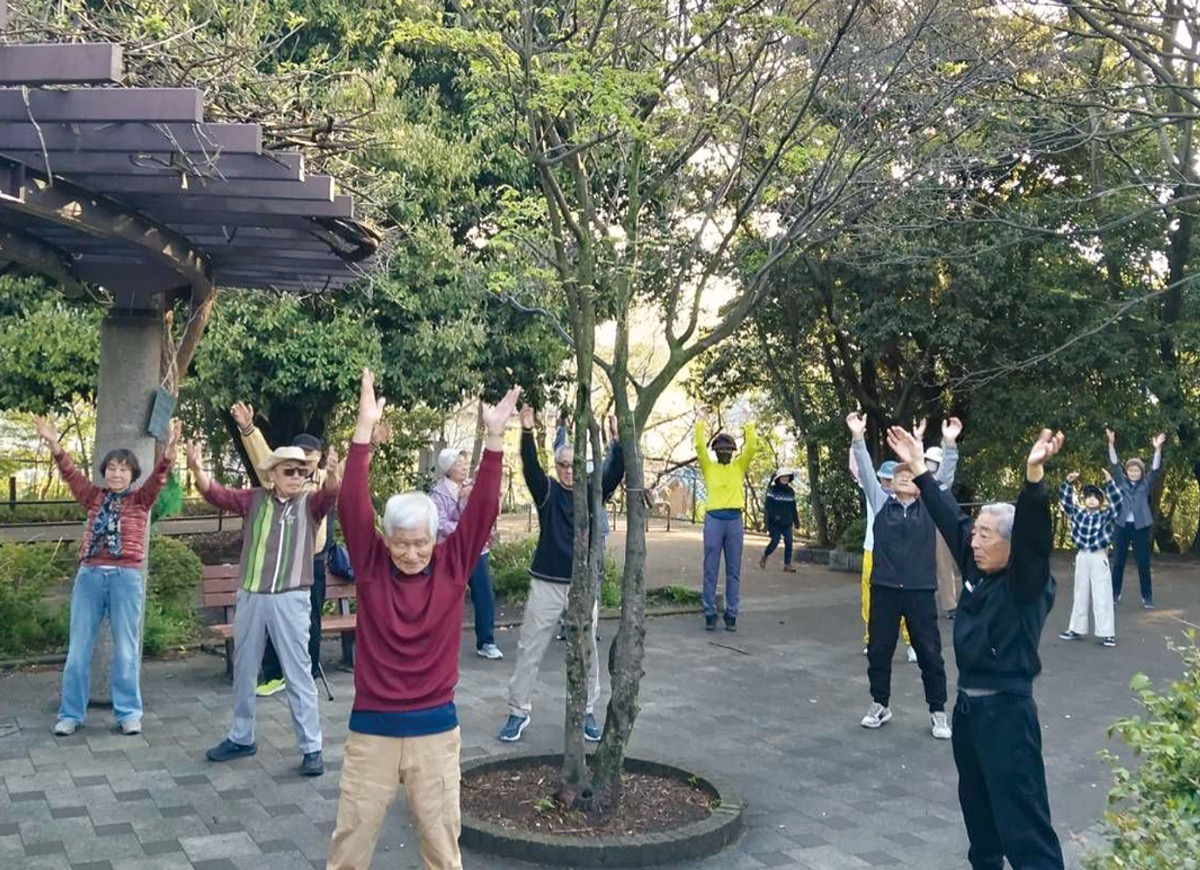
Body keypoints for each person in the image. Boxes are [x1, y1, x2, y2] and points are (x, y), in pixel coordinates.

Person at [325, 370, 519, 870]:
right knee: (350, 842)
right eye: (401, 542)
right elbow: (351, 503)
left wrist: (495, 438)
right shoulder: (371, 567)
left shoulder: (453, 567)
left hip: (435, 730)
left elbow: (481, 510)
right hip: (373, 730)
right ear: (386, 540)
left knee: (441, 846)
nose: (411, 553)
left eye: (421, 542)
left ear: (436, 539)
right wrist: (363, 430)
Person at [889, 423, 1066, 870]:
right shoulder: (976, 562)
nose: (976, 540)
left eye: (987, 535)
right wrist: (919, 471)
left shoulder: (1025, 583)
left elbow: (1034, 539)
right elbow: (951, 518)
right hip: (968, 713)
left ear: (1011, 545)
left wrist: (1033, 478)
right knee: (981, 825)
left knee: (1024, 830)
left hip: (1008, 716)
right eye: (978, 532)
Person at [186, 436, 339, 776]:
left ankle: (312, 748)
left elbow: (332, 493)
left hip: (291, 597)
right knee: (244, 669)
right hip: (251, 596)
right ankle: (241, 737)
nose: (297, 476)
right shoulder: (253, 499)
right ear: (272, 474)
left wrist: (332, 473)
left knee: (299, 672)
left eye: (302, 471)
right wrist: (196, 468)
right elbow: (217, 494)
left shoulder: (311, 504)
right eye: (290, 471)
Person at [36, 417, 180, 737]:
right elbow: (70, 473)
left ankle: (128, 713)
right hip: (90, 576)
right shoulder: (93, 497)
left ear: (132, 475)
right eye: (111, 468)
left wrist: (169, 452)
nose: (116, 473)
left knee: (126, 649)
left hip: (125, 577)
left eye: (123, 469)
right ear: (105, 472)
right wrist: (54, 444)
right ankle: (71, 713)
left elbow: (158, 477)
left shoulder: (141, 500)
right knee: (78, 650)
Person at [498, 406, 625, 743]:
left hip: (582, 586)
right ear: (557, 467)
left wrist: (617, 441)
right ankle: (517, 711)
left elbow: (615, 470)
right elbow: (530, 468)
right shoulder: (548, 492)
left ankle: (586, 711)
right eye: (563, 465)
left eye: (574, 465)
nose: (569, 470)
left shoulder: (593, 492)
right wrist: (526, 431)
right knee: (529, 648)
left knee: (587, 652)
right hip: (546, 582)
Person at [848, 412, 950, 740]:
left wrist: (948, 444)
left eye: (910, 474)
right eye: (898, 475)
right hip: (886, 588)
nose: (904, 478)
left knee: (930, 653)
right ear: (890, 483)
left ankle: (938, 711)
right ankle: (880, 704)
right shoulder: (882, 504)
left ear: (921, 486)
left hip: (920, 591)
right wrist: (858, 438)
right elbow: (864, 471)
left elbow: (943, 478)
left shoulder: (930, 507)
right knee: (879, 650)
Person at [231, 403, 334, 697]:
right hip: (282, 563)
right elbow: (263, 458)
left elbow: (347, 478)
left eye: (313, 461)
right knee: (272, 619)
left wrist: (371, 443)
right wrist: (248, 429)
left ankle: (308, 672)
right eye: (303, 460)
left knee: (310, 620)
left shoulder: (324, 481)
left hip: (313, 561)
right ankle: (275, 674)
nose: (307, 467)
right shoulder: (283, 476)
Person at [428, 448, 502, 660]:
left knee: (485, 594)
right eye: (458, 464)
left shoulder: (473, 486)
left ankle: (486, 641)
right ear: (448, 469)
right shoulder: (437, 493)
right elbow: (440, 523)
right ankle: (436, 642)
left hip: (477, 549)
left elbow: (486, 509)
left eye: (464, 463)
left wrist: (474, 495)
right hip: (451, 550)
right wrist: (465, 529)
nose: (463, 467)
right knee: (445, 596)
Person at [695, 417, 758, 631]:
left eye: (728, 450)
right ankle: (710, 612)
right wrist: (699, 423)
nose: (725, 453)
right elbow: (699, 448)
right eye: (721, 450)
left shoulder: (739, 467)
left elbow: (751, 449)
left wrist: (749, 425)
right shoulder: (709, 467)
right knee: (710, 569)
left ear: (732, 452)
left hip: (734, 521)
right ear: (716, 452)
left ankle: (732, 613)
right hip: (714, 519)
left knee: (733, 570)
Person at [851, 457, 915, 661]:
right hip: (872, 552)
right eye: (884, 480)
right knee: (870, 600)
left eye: (891, 479)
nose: (887, 484)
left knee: (905, 600)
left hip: (899, 556)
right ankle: (872, 640)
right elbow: (856, 467)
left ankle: (912, 643)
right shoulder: (874, 493)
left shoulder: (909, 498)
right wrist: (856, 435)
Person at [1058, 471, 1122, 647]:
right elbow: (1066, 503)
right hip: (1082, 555)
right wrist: (1068, 483)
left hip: (1098, 555)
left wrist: (1110, 483)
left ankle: (1107, 632)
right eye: (1089, 496)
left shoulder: (1105, 516)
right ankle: (1076, 628)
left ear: (1101, 501)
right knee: (1080, 592)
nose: (1092, 499)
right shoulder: (1079, 514)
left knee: (1102, 593)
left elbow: (1117, 504)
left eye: (1096, 497)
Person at [1106, 428, 1165, 608]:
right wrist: (1110, 444)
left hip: (1141, 526)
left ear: (1141, 472)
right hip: (1122, 525)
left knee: (1143, 562)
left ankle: (1147, 597)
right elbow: (1114, 465)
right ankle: (1114, 594)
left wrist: (1158, 449)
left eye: (1136, 470)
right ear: (1127, 471)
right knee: (1118, 562)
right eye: (1131, 470)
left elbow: (1155, 470)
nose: (1133, 472)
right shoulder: (1121, 481)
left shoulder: (1146, 484)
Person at [919, 419, 962, 617]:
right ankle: (918, 601)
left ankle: (950, 604)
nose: (930, 467)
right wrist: (918, 439)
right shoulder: (919, 479)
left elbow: (948, 467)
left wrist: (949, 443)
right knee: (918, 564)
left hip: (938, 526)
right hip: (919, 524)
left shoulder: (941, 482)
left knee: (944, 566)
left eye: (933, 464)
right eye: (927, 462)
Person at [759, 469, 799, 572]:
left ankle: (787, 564)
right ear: (778, 478)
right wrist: (774, 517)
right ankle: (765, 555)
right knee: (775, 542)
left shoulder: (791, 492)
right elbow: (768, 506)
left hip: (787, 522)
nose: (785, 478)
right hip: (775, 523)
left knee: (789, 541)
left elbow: (793, 508)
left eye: (787, 477)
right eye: (783, 476)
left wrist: (796, 521)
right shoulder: (772, 490)